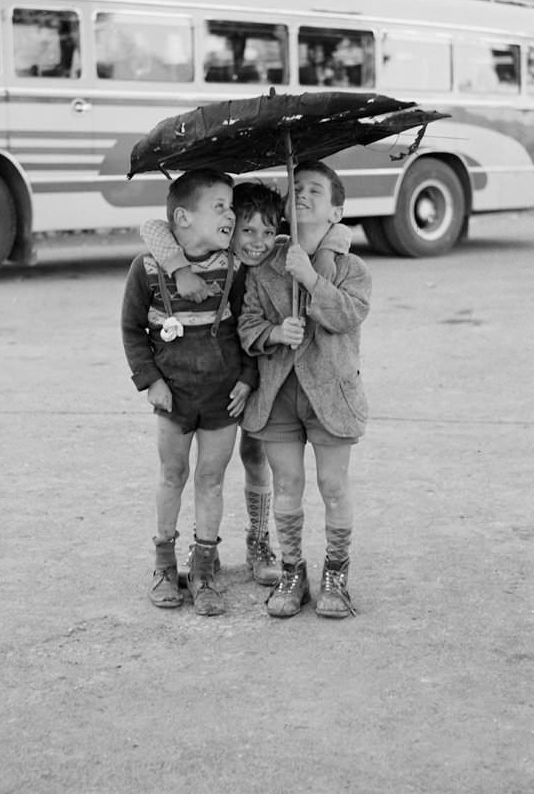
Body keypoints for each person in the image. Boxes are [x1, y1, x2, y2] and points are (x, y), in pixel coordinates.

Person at [140, 180, 353, 588]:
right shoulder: (216, 255)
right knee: (203, 470)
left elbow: (338, 228)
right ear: (230, 224)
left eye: (266, 232)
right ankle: (204, 549)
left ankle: (259, 543)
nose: (256, 242)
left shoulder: (279, 252)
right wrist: (180, 269)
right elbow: (153, 226)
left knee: (256, 458)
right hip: (216, 379)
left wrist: (327, 249)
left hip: (261, 377)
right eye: (245, 230)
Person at [238, 161, 371, 620]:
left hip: (331, 395)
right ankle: (293, 569)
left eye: (315, 190)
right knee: (288, 484)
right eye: (296, 187)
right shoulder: (265, 267)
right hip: (278, 394)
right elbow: (247, 323)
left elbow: (349, 315)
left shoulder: (351, 267)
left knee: (332, 484)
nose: (302, 194)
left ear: (336, 213)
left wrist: (311, 278)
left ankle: (337, 573)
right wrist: (275, 334)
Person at [121, 169, 257, 617]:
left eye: (231, 206)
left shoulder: (234, 268)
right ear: (183, 218)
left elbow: (248, 326)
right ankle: (164, 564)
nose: (230, 215)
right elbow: (132, 330)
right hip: (172, 398)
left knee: (212, 479)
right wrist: (151, 381)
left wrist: (248, 378)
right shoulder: (146, 269)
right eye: (219, 206)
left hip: (222, 397)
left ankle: (203, 569)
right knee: (171, 475)